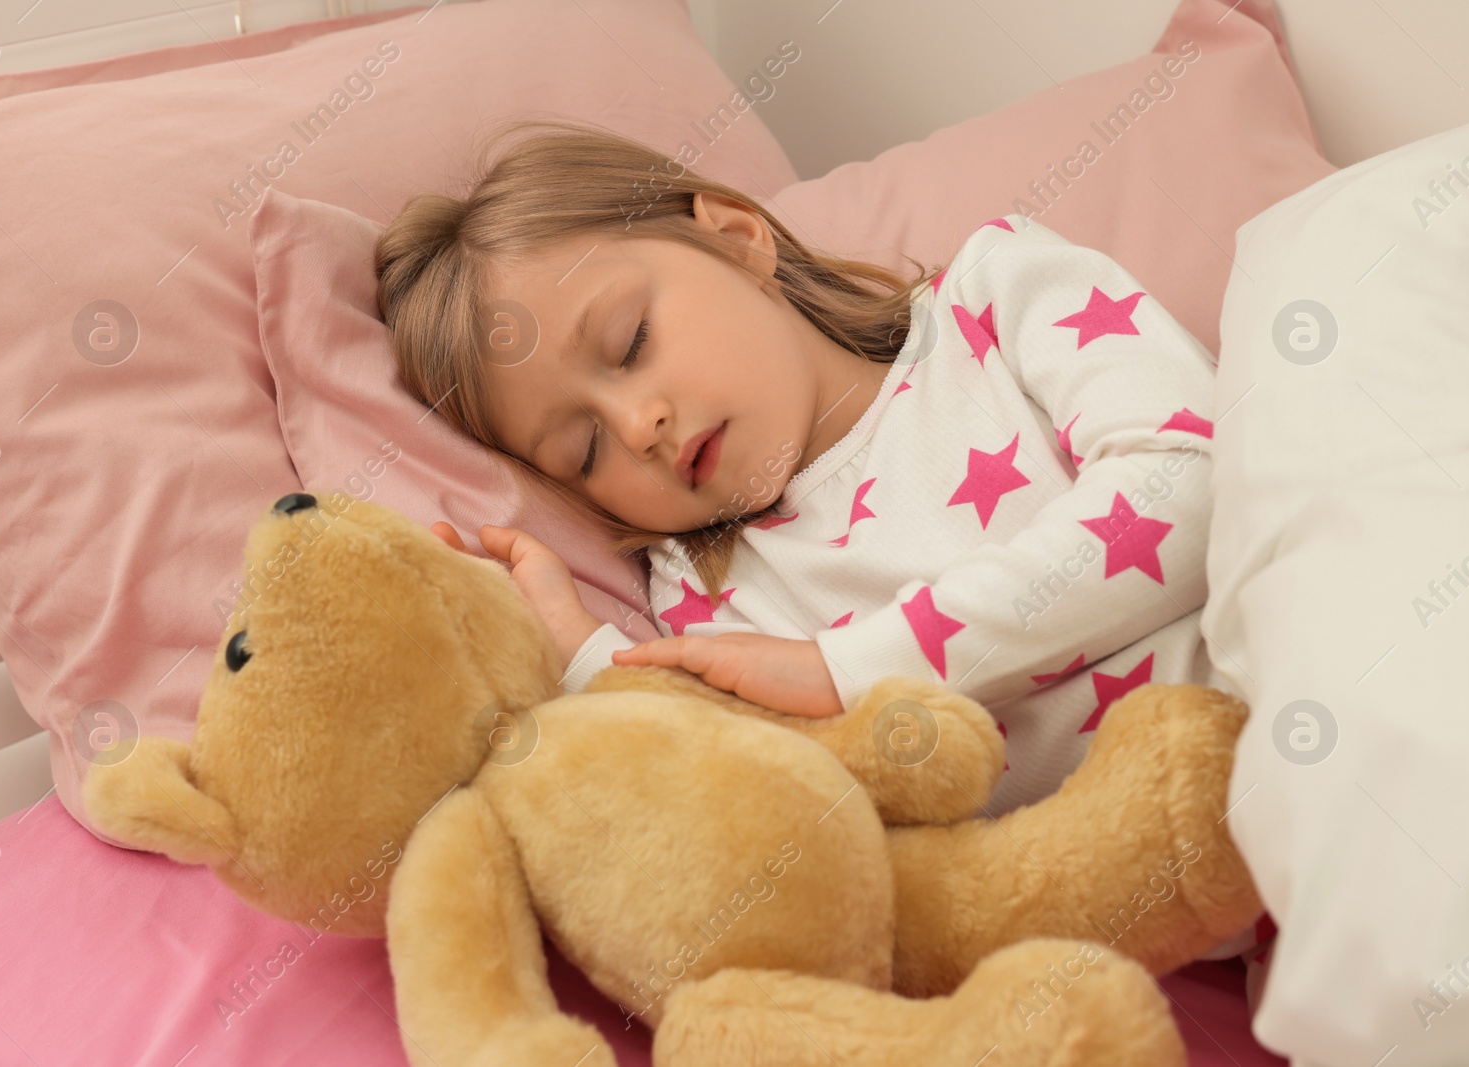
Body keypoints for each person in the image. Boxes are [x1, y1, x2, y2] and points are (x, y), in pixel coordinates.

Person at [376, 117, 1230, 815]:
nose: (639, 426)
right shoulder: (718, 595)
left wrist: (846, 672)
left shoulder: (997, 296)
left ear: (739, 241)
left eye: (630, 342)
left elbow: (1194, 487)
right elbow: (738, 794)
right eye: (584, 450)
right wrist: (580, 650)